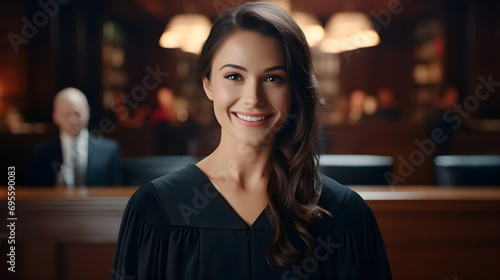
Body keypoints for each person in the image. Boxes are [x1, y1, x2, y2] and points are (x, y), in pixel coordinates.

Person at [112, 2, 391, 279]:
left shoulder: (345, 216)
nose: (253, 98)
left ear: (294, 90)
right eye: (234, 76)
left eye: (273, 78)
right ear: (208, 84)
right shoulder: (154, 211)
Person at [28, 87, 122, 187]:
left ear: (87, 112)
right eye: (66, 114)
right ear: (55, 117)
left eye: (77, 113)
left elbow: (117, 192)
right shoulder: (42, 153)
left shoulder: (109, 151)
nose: (73, 120)